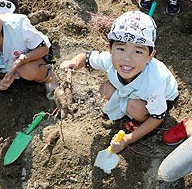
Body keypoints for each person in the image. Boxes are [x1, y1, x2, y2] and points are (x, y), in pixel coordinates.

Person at [60, 11, 179, 153]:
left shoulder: (155, 82)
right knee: (106, 89)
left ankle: (139, 119)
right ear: (110, 49)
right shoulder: (109, 59)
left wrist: (128, 139)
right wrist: (74, 63)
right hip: (134, 90)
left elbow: (158, 118)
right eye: (121, 48)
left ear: (150, 56)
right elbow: (85, 57)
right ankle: (123, 104)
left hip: (163, 99)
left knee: (134, 107)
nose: (127, 58)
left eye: (138, 52)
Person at [0, 0, 58, 100]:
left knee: (27, 70)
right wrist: (0, 84)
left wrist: (25, 58)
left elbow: (43, 49)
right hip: (6, 66)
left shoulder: (18, 24)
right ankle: (12, 76)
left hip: (34, 57)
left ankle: (48, 77)